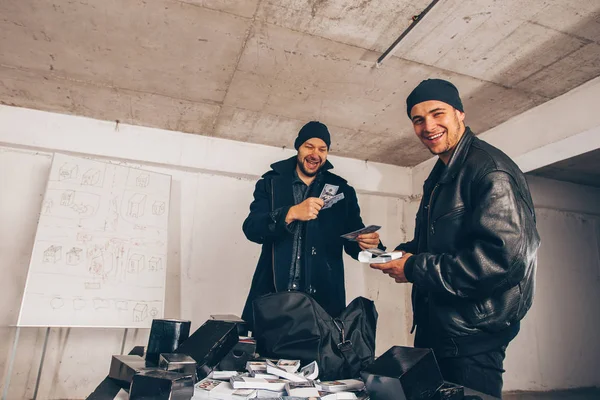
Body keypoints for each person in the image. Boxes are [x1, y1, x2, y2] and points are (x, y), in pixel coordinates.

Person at [371, 79, 540, 397]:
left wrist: (412, 268)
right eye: (418, 119)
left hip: (473, 336)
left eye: (438, 113)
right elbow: (433, 247)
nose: (428, 126)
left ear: (460, 113)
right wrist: (393, 255)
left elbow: (502, 262)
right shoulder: (439, 176)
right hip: (437, 330)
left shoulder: (490, 171)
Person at [242, 121, 382, 327]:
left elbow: (354, 242)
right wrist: (290, 213)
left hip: (322, 302)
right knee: (265, 357)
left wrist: (371, 245)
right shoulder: (270, 183)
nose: (315, 154)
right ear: (298, 147)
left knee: (318, 358)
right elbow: (252, 228)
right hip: (273, 295)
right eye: (309, 146)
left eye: (322, 149)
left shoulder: (342, 190)